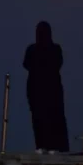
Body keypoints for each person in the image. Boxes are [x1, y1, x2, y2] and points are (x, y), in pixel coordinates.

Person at [23, 20, 70, 153]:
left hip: (46, 92)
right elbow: (26, 64)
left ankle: (49, 146)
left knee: (47, 120)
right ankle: (46, 146)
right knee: (42, 120)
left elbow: (27, 64)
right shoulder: (49, 49)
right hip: (41, 92)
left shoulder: (48, 49)